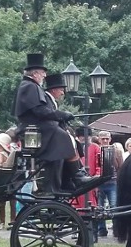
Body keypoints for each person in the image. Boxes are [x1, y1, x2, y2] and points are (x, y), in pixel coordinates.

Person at [12, 55, 95, 196]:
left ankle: (73, 176)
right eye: (43, 72)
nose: (44, 75)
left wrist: (62, 117)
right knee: (64, 137)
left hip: (39, 129)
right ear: (35, 73)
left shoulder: (30, 86)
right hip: (35, 131)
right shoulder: (29, 86)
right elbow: (40, 111)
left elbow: (42, 111)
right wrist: (62, 115)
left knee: (67, 138)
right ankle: (77, 176)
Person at [95, 130, 122, 237]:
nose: (105, 140)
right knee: (99, 207)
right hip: (98, 183)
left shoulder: (117, 151)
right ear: (99, 139)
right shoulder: (97, 150)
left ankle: (116, 229)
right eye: (103, 139)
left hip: (112, 183)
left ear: (110, 139)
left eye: (107, 138)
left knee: (114, 206)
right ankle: (101, 229)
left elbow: (120, 167)